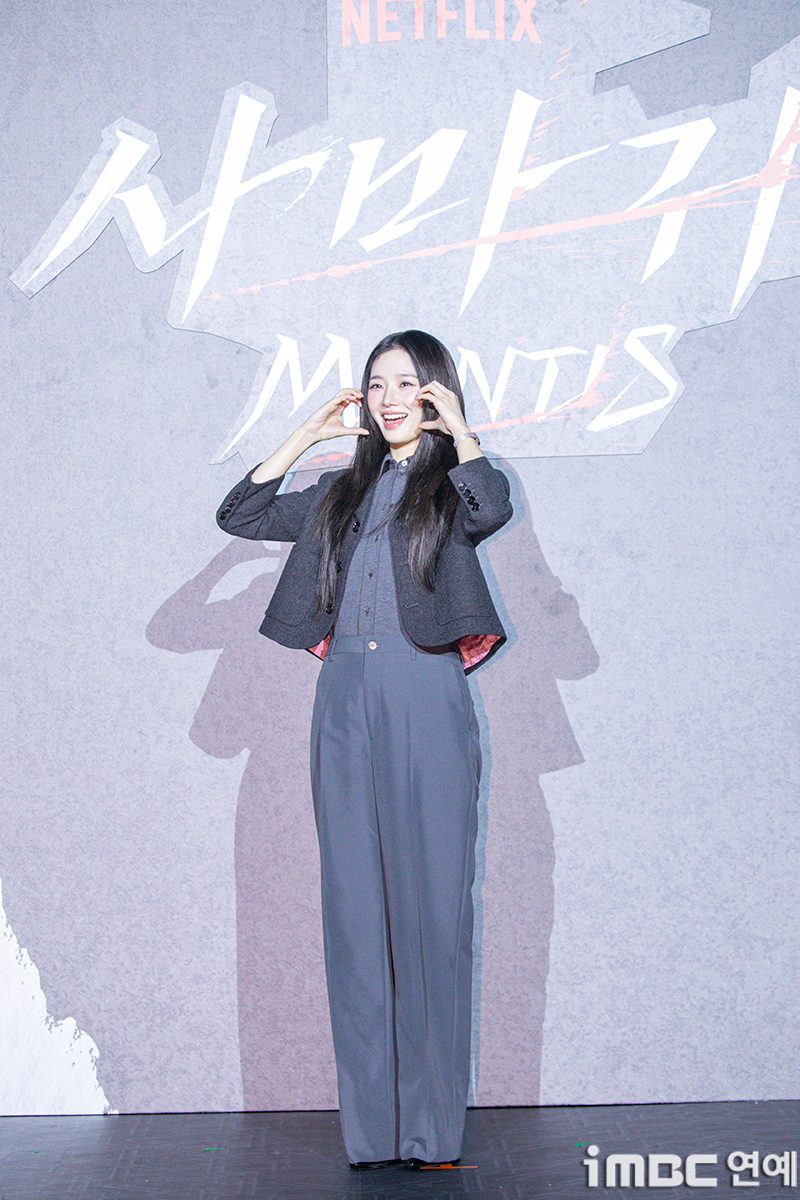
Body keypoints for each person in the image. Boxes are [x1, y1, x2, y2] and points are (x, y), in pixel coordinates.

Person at [216, 330, 512, 1168]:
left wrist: (460, 433)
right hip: (343, 699)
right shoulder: (337, 493)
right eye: (377, 385)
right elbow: (239, 514)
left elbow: (491, 511)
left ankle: (431, 1130)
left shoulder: (454, 483)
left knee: (432, 916)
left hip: (425, 696)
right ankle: (373, 1133)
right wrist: (307, 435)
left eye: (408, 384)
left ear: (435, 394)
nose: (389, 399)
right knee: (353, 916)